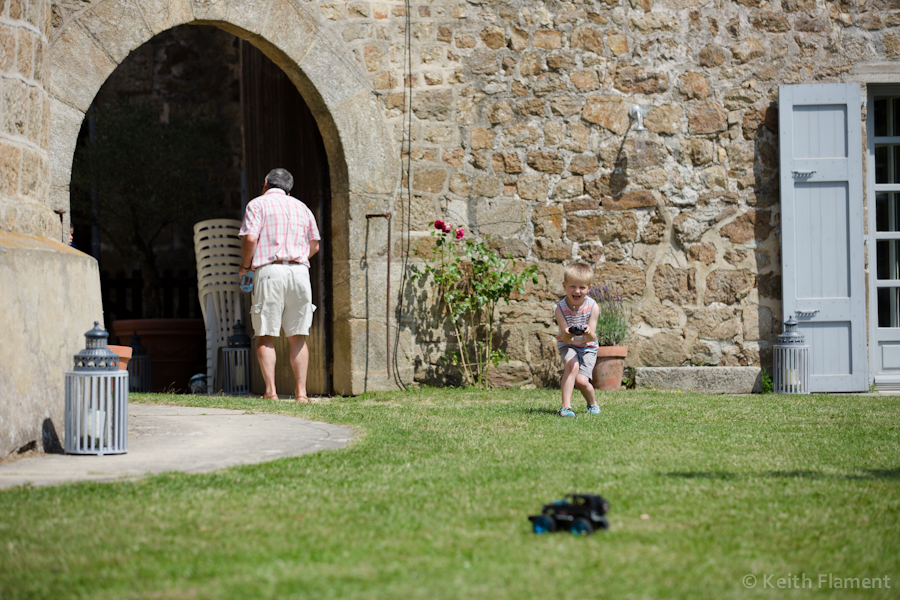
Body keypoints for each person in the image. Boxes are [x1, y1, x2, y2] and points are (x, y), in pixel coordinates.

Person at [238, 168, 320, 402]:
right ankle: (301, 394)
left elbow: (251, 238)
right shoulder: (302, 207)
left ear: (265, 183)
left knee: (265, 334)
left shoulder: (257, 204)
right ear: (289, 189)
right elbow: (314, 245)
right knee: (298, 335)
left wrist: (245, 266)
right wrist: (295, 257)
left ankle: (271, 392)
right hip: (299, 272)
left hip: (270, 269)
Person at [554, 262, 601, 417]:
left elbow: (591, 335)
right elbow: (566, 339)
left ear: (589, 288)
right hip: (569, 345)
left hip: (588, 346)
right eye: (573, 286)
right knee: (572, 365)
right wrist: (567, 334)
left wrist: (587, 332)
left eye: (582, 287)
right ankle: (565, 407)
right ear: (564, 286)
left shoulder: (593, 307)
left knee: (581, 381)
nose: (577, 291)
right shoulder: (560, 308)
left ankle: (592, 403)